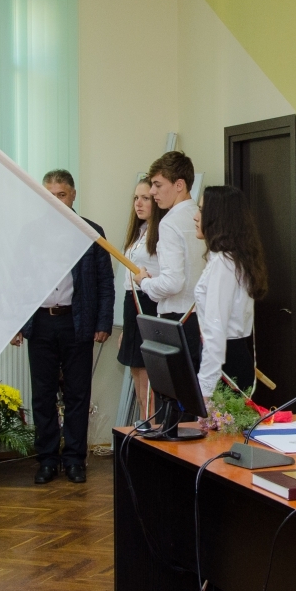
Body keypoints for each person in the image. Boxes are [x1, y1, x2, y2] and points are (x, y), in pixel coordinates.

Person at [13, 170, 115, 485]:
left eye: (61, 194)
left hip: (77, 321)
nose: (55, 200)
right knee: (42, 395)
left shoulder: (90, 232)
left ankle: (74, 460)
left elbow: (105, 282)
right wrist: (15, 324)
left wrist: (103, 321)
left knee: (77, 394)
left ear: (72, 195)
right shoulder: (29, 233)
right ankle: (46, 460)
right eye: (49, 195)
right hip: (41, 321)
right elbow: (18, 281)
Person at [193, 186, 266, 399]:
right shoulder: (228, 259)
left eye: (201, 210)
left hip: (225, 361)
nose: (195, 217)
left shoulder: (224, 263)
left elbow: (215, 329)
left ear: (218, 217)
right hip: (228, 356)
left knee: (221, 421)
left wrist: (205, 388)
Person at [134, 152, 206, 370]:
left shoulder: (169, 223)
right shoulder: (200, 215)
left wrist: (144, 282)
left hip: (179, 320)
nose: (152, 191)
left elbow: (173, 282)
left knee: (179, 390)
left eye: (158, 185)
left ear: (179, 185)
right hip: (202, 318)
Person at [117, 178, 164, 421]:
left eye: (145, 198)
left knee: (148, 384)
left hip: (149, 304)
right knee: (138, 382)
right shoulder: (138, 233)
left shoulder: (162, 234)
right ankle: (145, 428)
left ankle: (151, 428)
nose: (139, 203)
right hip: (132, 305)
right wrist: (127, 328)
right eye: (136, 198)